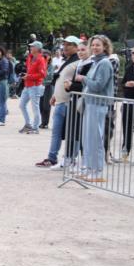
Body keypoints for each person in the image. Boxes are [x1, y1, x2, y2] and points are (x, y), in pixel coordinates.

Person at [35, 36, 82, 168]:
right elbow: (61, 79)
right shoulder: (66, 61)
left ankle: (71, 158)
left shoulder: (78, 62)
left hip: (70, 102)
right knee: (56, 132)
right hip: (61, 101)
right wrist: (55, 95)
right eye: (64, 44)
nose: (65, 47)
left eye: (69, 45)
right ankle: (52, 157)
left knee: (73, 133)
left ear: (76, 47)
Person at [74, 35, 115, 182]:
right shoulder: (96, 62)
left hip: (98, 104)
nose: (95, 47)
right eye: (93, 45)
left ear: (105, 47)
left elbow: (98, 85)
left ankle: (97, 171)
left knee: (96, 139)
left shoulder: (104, 63)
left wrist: (83, 79)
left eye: (98, 45)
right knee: (88, 139)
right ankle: (89, 169)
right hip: (90, 103)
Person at [18, 41, 47, 133]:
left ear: (37, 49)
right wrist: (26, 75)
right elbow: (30, 71)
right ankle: (28, 124)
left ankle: (35, 128)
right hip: (28, 85)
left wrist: (28, 76)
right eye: (30, 47)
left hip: (35, 86)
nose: (30, 48)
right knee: (22, 105)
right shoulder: (30, 58)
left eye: (32, 46)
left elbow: (42, 75)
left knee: (35, 107)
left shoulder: (41, 59)